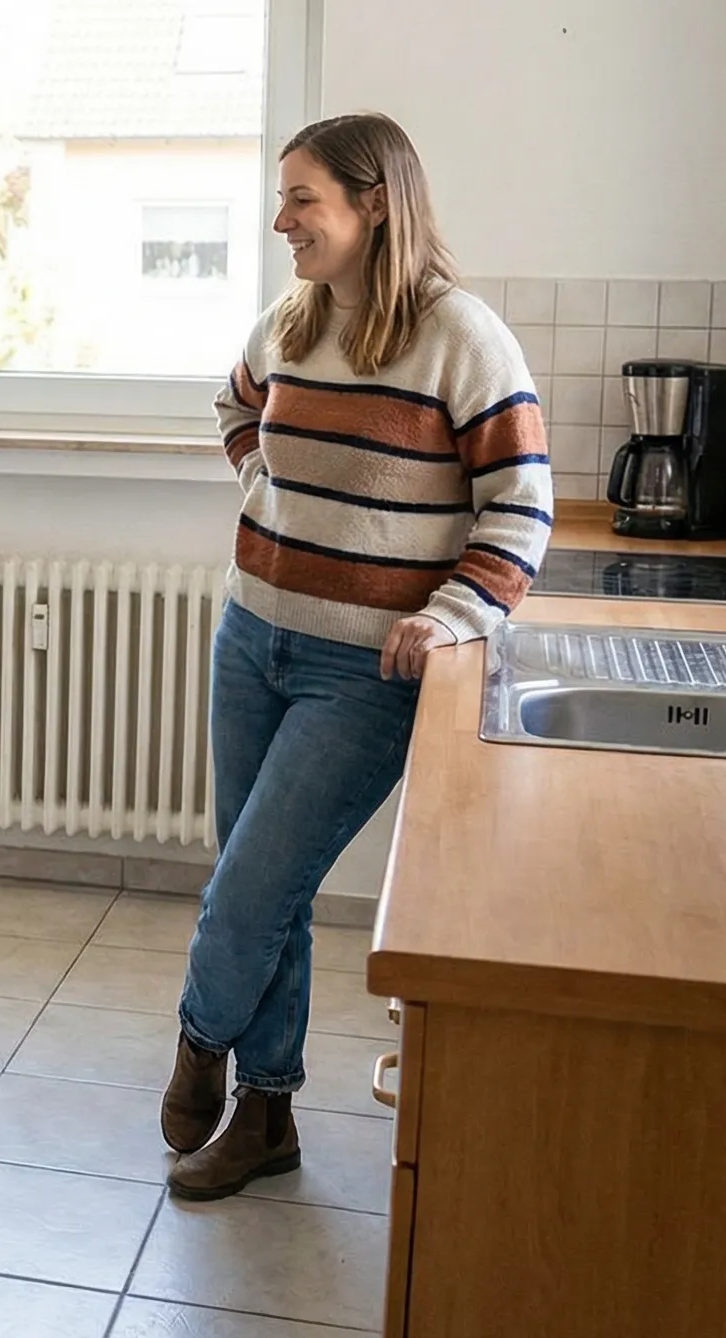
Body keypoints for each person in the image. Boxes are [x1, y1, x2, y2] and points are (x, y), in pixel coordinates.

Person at [162, 113, 550, 1199]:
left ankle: (201, 1041)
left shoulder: (462, 337)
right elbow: (233, 408)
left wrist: (459, 611)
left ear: (374, 204)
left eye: (302, 200)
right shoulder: (288, 323)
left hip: (360, 673)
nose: (281, 220)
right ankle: (267, 1111)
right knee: (263, 885)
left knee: (247, 889)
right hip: (250, 639)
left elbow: (521, 506)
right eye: (282, 200)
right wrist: (266, 492)